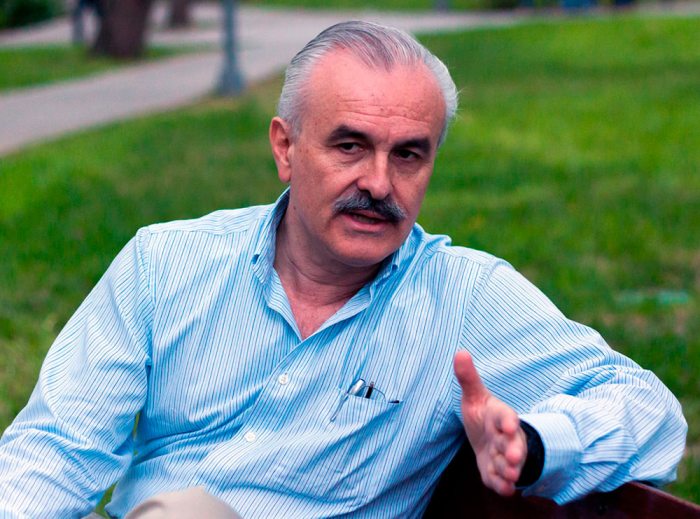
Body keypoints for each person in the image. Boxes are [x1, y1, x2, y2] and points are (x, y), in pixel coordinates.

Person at [0, 20, 687, 519]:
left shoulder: (462, 297)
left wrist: (534, 446)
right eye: (351, 146)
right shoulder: (165, 264)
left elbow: (649, 413)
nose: (379, 184)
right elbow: (56, 448)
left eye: (408, 154)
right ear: (286, 147)